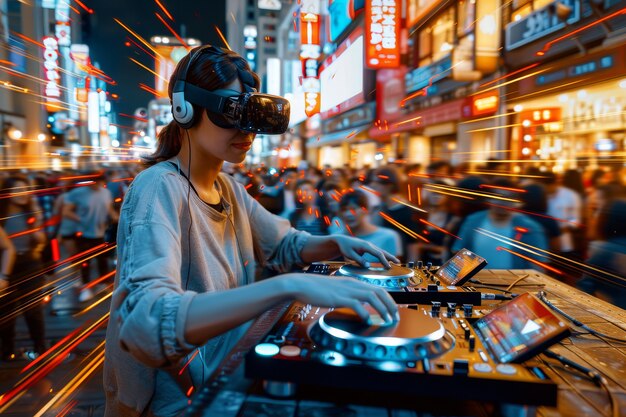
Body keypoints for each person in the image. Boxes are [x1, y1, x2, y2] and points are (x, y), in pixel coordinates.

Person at [103, 45, 398, 417]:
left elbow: (285, 244)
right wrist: (288, 285)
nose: (247, 131)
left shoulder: (227, 189)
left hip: (217, 385)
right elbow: (147, 323)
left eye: (252, 115)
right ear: (184, 108)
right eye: (231, 112)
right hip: (171, 403)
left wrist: (335, 243)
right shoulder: (159, 187)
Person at [0, 174, 47, 360]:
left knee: (33, 310)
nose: (22, 193)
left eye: (25, 189)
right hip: (6, 265)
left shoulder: (32, 211)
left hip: (30, 263)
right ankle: (7, 350)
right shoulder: (2, 214)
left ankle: (40, 347)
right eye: (17, 189)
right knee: (5, 312)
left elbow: (42, 239)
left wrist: (37, 232)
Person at [452, 179, 548, 269]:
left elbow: (538, 267)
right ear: (488, 198)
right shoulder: (473, 221)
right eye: (497, 197)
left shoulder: (530, 228)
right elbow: (459, 254)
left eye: (508, 198)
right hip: (476, 284)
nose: (503, 202)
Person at [62, 172, 118, 302]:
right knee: (85, 261)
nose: (97, 184)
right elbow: (66, 211)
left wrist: (115, 216)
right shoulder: (78, 193)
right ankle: (85, 287)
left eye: (100, 181)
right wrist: (81, 219)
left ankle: (102, 284)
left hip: (100, 232)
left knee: (102, 260)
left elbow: (109, 209)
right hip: (83, 233)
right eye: (95, 181)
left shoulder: (106, 193)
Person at [336, 190, 402, 261]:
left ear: (365, 209)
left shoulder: (388, 236)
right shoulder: (337, 238)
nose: (348, 214)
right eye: (344, 210)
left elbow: (395, 268)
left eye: (353, 209)